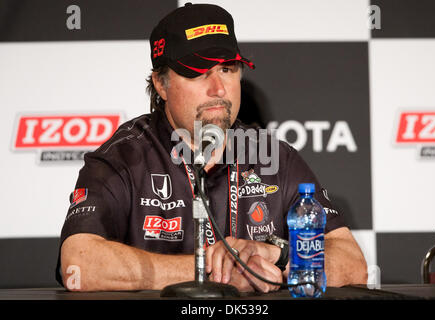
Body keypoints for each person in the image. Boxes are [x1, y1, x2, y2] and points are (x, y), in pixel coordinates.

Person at [56, 3, 367, 293]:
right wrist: (213, 271)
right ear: (161, 84)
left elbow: (353, 265)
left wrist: (278, 257)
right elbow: (77, 264)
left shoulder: (275, 156)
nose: (219, 89)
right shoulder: (122, 157)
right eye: (197, 72)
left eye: (227, 70)